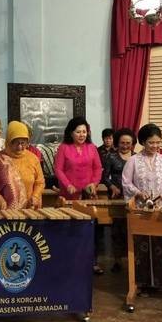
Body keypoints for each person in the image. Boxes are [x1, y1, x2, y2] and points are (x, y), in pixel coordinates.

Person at [122, 123, 162, 290]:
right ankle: (142, 282)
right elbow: (126, 182)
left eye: (158, 142)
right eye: (151, 143)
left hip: (160, 208)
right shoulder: (133, 161)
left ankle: (159, 281)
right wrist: (138, 193)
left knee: (160, 244)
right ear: (142, 142)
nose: (155, 146)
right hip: (140, 209)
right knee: (141, 246)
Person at [54, 116, 103, 273]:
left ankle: (92, 262)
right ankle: (69, 261)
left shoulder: (92, 147)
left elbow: (97, 168)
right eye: (78, 132)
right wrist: (67, 185)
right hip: (69, 195)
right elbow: (58, 169)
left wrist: (94, 184)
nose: (82, 135)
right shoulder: (64, 147)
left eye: (84, 132)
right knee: (70, 229)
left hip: (88, 195)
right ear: (71, 133)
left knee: (90, 230)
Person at [0, 121, 45, 210]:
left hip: (30, 210)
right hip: (5, 213)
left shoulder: (33, 159)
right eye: (16, 143)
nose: (20, 147)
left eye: (23, 143)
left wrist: (35, 196)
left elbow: (40, 182)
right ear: (9, 141)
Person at [100, 128, 135, 272]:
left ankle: (133, 259)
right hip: (116, 196)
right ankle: (117, 260)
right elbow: (104, 177)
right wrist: (112, 187)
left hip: (133, 197)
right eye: (122, 143)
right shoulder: (110, 157)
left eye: (128, 143)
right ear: (117, 142)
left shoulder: (137, 157)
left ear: (133, 143)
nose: (125, 146)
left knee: (132, 228)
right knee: (117, 229)